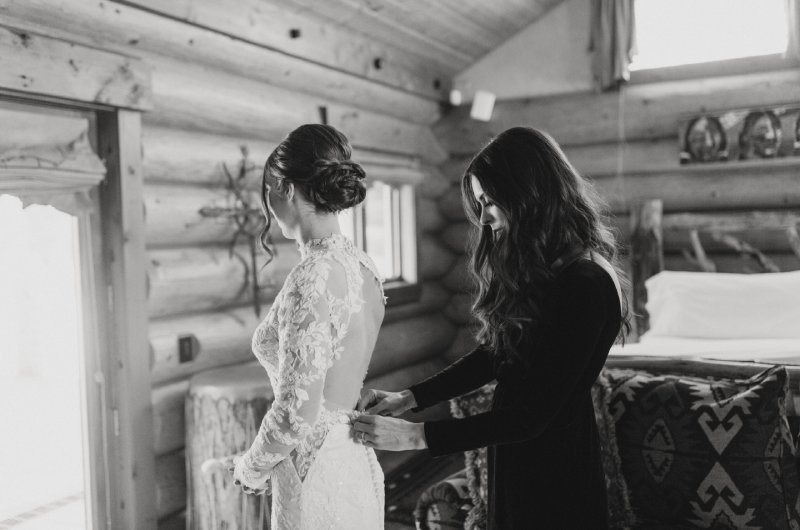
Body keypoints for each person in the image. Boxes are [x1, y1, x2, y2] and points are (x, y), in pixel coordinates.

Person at [354, 127, 630, 529]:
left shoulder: (585, 282)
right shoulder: (554, 268)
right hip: (522, 455)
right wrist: (410, 397)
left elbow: (531, 417)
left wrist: (416, 438)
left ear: (528, 192)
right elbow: (501, 354)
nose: (484, 218)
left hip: (555, 472)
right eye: (479, 204)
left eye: (489, 201)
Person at [227, 124, 386, 529]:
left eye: (267, 191)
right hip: (354, 457)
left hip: (314, 470)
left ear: (284, 187)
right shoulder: (365, 267)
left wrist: (251, 467)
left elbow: (296, 413)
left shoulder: (312, 274)